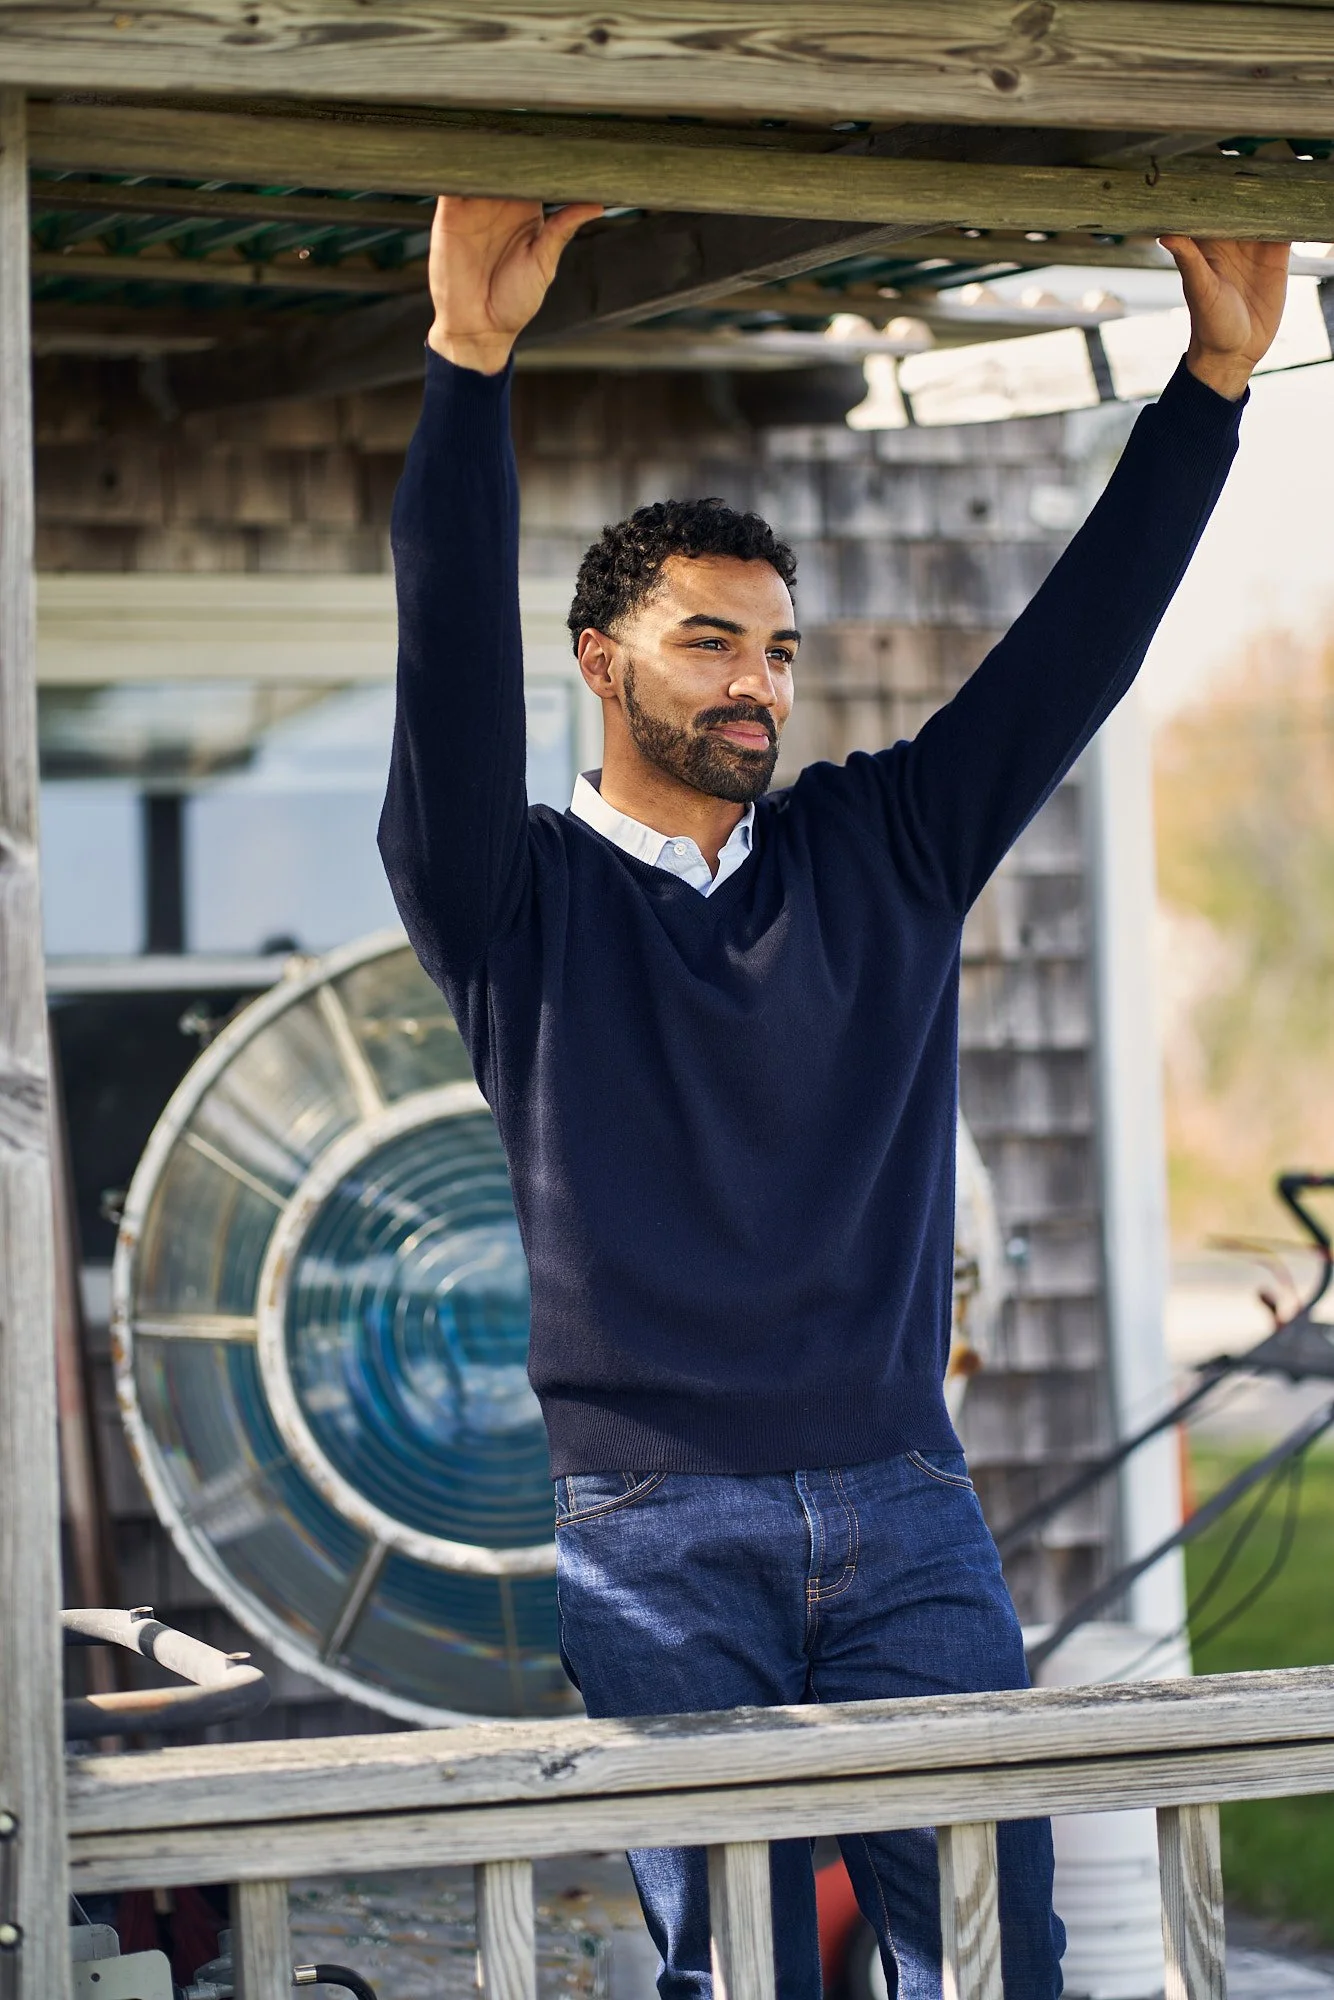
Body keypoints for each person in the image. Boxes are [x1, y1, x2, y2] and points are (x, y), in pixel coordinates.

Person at [379, 193, 1289, 2000]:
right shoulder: (511, 895)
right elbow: (446, 677)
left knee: (993, 1958)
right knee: (742, 1974)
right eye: (710, 641)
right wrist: (467, 371)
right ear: (603, 659)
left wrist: (1210, 393)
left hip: (902, 1503)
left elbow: (1071, 655)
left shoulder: (882, 846)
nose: (755, 683)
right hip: (651, 1529)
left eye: (776, 649)